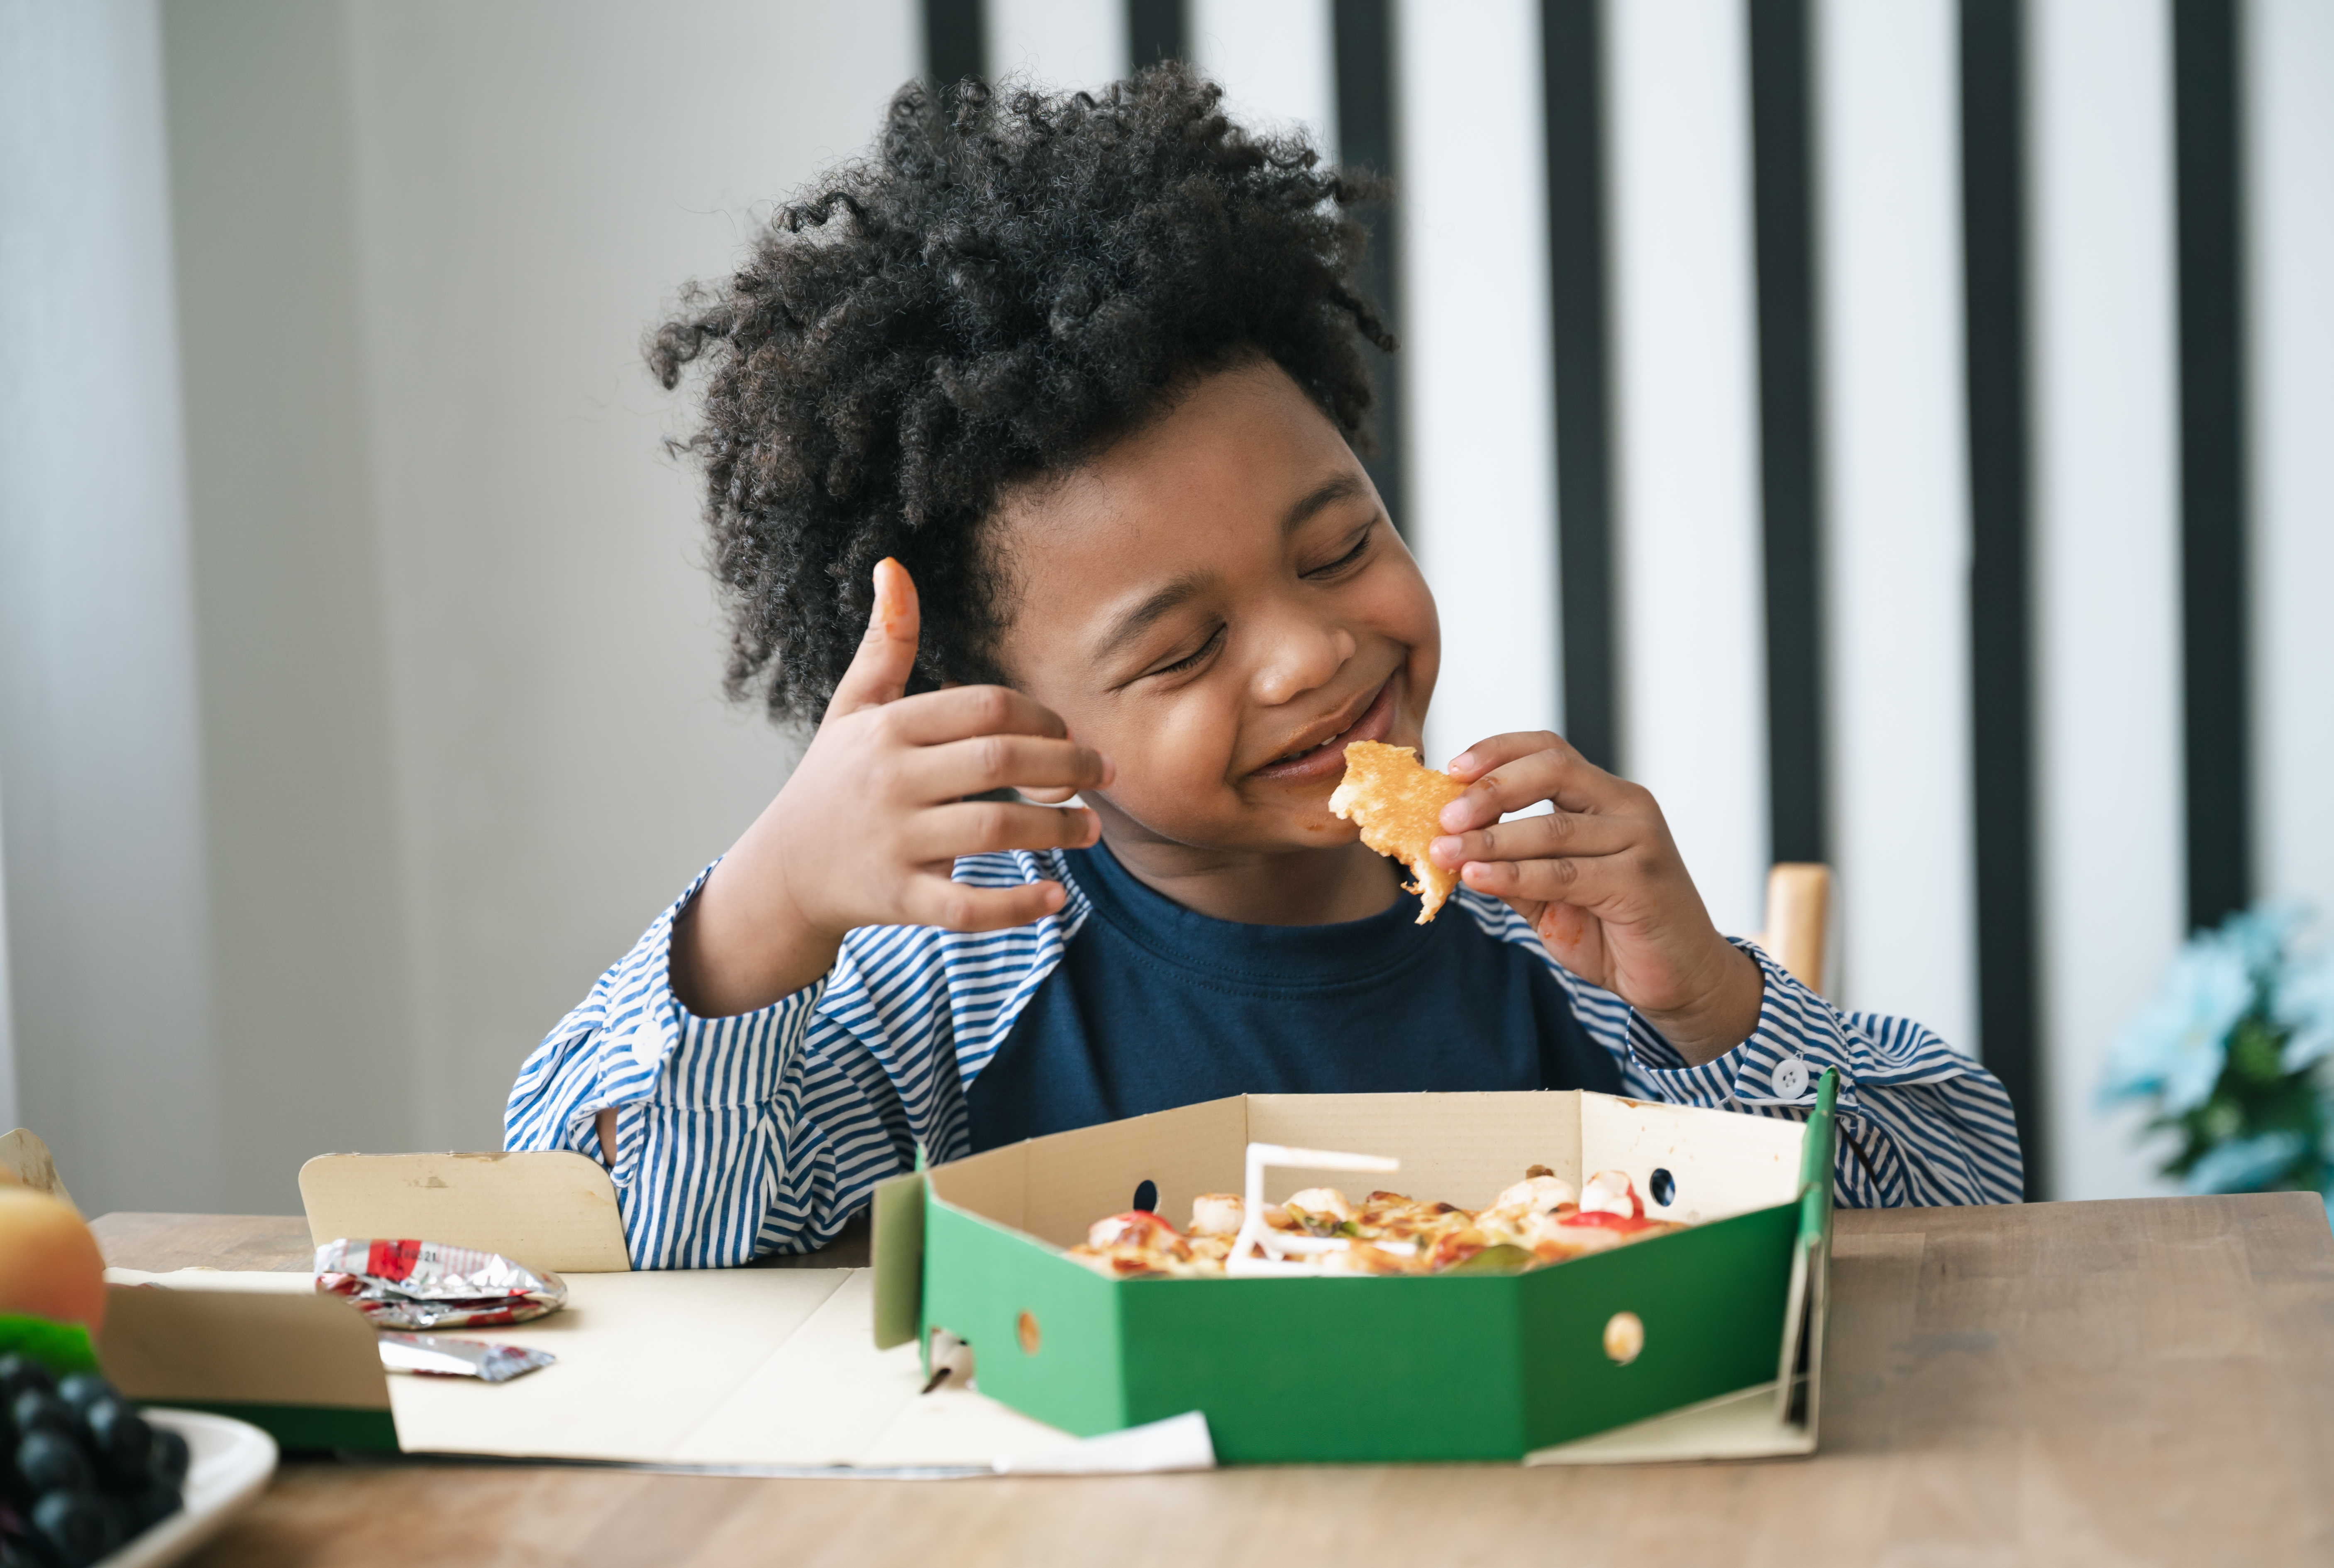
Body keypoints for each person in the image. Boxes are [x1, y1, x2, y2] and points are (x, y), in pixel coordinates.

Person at [505, 66, 2021, 1268]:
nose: (1314, 652)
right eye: (1182, 648)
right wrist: (760, 913)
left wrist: (1715, 1013)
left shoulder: (1563, 935)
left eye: (1337, 546)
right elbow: (611, 1236)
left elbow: (1965, 1220)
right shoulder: (943, 988)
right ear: (1004, 722)